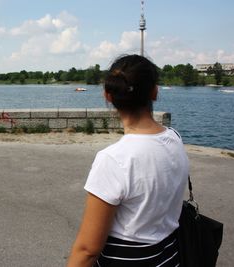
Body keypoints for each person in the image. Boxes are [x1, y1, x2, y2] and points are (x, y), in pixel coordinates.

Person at [67, 55, 189, 267]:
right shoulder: (175, 139)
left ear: (108, 96)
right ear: (154, 92)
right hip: (169, 257)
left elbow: (87, 250)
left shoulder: (115, 159)